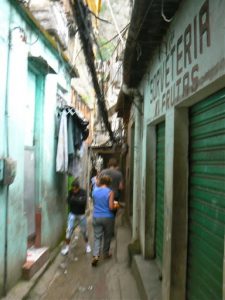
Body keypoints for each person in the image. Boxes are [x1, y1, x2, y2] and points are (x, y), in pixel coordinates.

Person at [61, 179, 91, 255]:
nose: (74, 191)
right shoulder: (70, 192)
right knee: (69, 230)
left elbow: (83, 202)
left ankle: (87, 245)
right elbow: (68, 201)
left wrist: (74, 199)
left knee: (84, 231)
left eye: (75, 189)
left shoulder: (83, 192)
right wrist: (77, 200)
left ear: (78, 187)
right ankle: (67, 248)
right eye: (73, 189)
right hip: (72, 214)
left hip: (81, 214)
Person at [91, 175, 115, 266]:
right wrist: (116, 205)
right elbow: (111, 207)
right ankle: (106, 253)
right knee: (107, 236)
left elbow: (94, 204)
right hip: (108, 217)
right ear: (109, 183)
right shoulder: (110, 192)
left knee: (97, 237)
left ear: (100, 182)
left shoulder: (94, 191)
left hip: (96, 216)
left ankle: (96, 255)